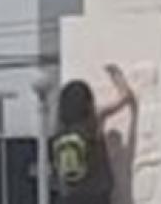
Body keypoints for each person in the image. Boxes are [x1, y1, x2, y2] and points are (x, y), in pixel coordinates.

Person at [51, 65, 136, 204]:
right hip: (96, 195)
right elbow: (125, 98)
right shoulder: (93, 121)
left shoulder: (60, 131)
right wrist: (118, 77)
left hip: (70, 197)